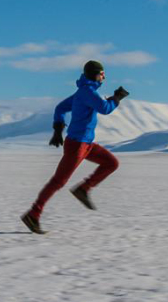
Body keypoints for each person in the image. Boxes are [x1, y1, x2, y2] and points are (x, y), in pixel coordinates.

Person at [21, 60, 129, 234]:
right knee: (58, 181)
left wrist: (58, 130)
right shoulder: (87, 92)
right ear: (94, 74)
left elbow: (61, 108)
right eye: (102, 74)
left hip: (87, 144)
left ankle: (83, 189)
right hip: (77, 145)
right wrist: (116, 98)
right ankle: (33, 214)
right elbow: (104, 108)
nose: (104, 77)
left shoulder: (85, 92)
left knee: (111, 163)